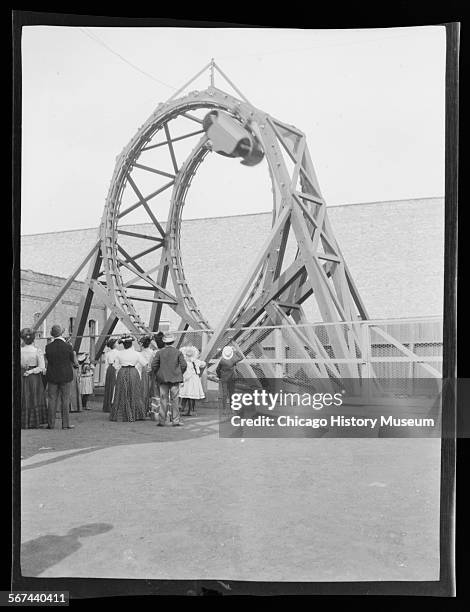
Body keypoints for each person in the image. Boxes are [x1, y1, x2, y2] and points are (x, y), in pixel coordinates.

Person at [151, 334, 187, 427]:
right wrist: (178, 373)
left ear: (164, 342)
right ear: (173, 341)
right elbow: (184, 365)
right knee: (175, 400)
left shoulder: (159, 353)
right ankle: (176, 420)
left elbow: (154, 365)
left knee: (163, 399)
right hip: (175, 379)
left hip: (163, 379)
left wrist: (158, 374)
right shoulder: (178, 352)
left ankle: (162, 420)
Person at [44, 324, 76, 429]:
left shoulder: (48, 347)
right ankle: (65, 424)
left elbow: (48, 360)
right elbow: (74, 361)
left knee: (52, 399)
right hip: (66, 375)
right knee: (65, 400)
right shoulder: (68, 346)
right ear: (61, 333)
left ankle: (51, 424)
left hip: (52, 375)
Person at [110, 334, 147, 422]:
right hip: (133, 372)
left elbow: (115, 366)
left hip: (122, 372)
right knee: (135, 391)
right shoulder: (137, 354)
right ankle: (136, 414)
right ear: (131, 344)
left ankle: (121, 414)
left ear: (123, 344)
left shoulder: (119, 353)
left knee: (121, 392)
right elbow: (145, 364)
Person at [20, 328, 48, 429]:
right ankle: (34, 421)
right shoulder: (37, 351)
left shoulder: (19, 350)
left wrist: (24, 368)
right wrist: (31, 371)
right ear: (33, 339)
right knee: (34, 397)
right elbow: (42, 367)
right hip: (34, 378)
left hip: (21, 375)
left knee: (23, 397)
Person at [216, 345, 244, 414]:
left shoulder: (222, 360)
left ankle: (224, 409)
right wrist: (235, 350)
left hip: (224, 379)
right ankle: (232, 409)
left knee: (224, 394)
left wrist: (220, 376)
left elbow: (217, 370)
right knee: (232, 393)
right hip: (232, 378)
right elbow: (241, 357)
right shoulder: (233, 360)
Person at [179, 346, 206, 416]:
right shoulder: (196, 361)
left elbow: (184, 371)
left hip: (187, 380)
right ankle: (191, 410)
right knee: (192, 396)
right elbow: (204, 364)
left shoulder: (185, 362)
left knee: (186, 394)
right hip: (195, 379)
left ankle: (183, 409)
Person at [137, 335, 156, 416]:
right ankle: (153, 409)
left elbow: (139, 365)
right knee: (153, 390)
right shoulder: (152, 352)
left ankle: (144, 409)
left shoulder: (140, 353)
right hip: (153, 372)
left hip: (144, 372)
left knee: (144, 390)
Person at [102, 338, 119, 413]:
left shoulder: (107, 353)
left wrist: (105, 374)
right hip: (115, 369)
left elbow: (106, 365)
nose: (117, 344)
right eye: (116, 343)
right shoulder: (118, 353)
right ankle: (113, 404)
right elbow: (118, 363)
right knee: (114, 386)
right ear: (114, 344)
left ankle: (108, 405)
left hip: (109, 369)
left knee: (109, 386)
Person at [69, 346, 82, 413]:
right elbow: (76, 363)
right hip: (72, 371)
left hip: (65, 371)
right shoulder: (73, 353)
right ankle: (74, 407)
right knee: (73, 389)